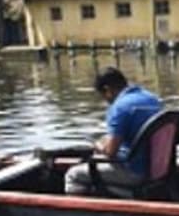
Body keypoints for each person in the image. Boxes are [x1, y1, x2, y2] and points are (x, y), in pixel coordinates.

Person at [64, 67, 163, 195]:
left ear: (107, 90)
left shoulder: (119, 108)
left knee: (73, 175)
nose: (107, 102)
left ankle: (128, 197)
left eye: (104, 97)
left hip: (133, 172)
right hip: (158, 168)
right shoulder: (152, 99)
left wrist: (98, 145)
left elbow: (111, 152)